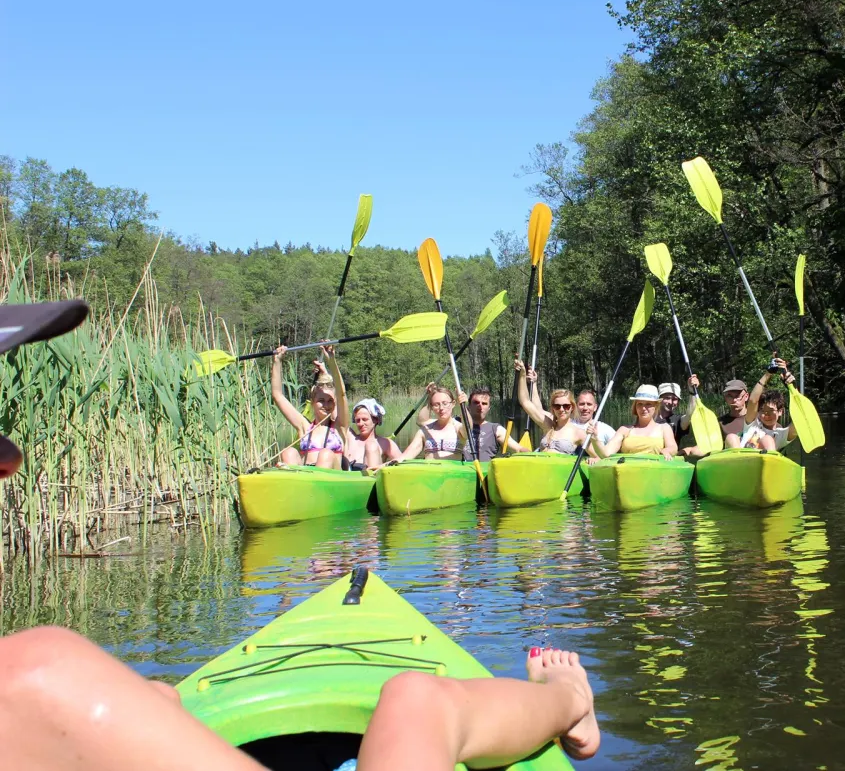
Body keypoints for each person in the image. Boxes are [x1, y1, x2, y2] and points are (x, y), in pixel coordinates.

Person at [0, 301, 601, 771]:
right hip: (319, 491)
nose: (11, 459)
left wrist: (331, 371)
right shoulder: (43, 667)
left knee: (147, 694)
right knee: (417, 700)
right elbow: (284, 398)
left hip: (349, 490)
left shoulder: (34, 672)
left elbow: (339, 400)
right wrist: (282, 365)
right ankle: (571, 700)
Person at [271, 344, 348, 468]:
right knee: (289, 452)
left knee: (325, 454)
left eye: (330, 401)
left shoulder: (340, 426)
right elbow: (277, 395)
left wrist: (331, 361)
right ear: (313, 401)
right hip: (308, 478)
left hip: (333, 478)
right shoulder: (305, 427)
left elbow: (342, 394)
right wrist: (277, 361)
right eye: (321, 400)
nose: (326, 405)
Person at [514, 359, 588, 455]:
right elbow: (525, 402)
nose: (561, 409)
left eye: (566, 406)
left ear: (572, 407)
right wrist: (522, 374)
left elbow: (597, 456)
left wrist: (594, 458)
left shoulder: (579, 433)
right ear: (553, 408)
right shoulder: (548, 425)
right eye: (557, 406)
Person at [588, 384, 678, 460]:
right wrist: (595, 439)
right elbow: (605, 454)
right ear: (635, 406)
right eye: (640, 404)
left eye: (648, 404)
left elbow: (673, 448)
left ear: (655, 406)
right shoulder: (624, 430)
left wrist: (667, 450)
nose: (643, 408)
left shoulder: (664, 428)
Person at [733, 359, 799, 451]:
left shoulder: (782, 435)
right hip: (740, 460)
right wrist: (768, 373)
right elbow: (753, 401)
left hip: (765, 463)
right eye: (763, 411)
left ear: (780, 411)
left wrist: (793, 389)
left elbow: (799, 421)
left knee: (767, 439)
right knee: (731, 437)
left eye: (771, 411)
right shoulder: (752, 426)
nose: (766, 415)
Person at [396, 383, 469, 463]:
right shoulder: (425, 430)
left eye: (445, 403)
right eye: (436, 405)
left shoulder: (459, 428)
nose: (441, 408)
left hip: (453, 473)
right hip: (430, 472)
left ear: (453, 404)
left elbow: (468, 428)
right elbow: (406, 456)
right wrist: (429, 396)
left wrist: (463, 404)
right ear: (431, 407)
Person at [460, 386, 527, 462]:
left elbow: (518, 449)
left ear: (489, 408)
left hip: (484, 473)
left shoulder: (495, 429)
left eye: (484, 403)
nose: (480, 406)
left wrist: (530, 454)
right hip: (461, 471)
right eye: (476, 402)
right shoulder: (456, 424)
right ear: (469, 406)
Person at [344, 398, 402, 472]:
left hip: (373, 480)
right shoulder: (350, 437)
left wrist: (385, 466)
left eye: (365, 419)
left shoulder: (385, 443)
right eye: (357, 420)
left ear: (376, 420)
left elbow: (404, 463)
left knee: (371, 446)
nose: (361, 424)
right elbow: (338, 416)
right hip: (349, 479)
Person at [655, 381, 694, 446]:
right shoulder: (649, 419)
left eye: (674, 399)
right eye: (667, 398)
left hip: (670, 455)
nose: (670, 402)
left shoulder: (678, 420)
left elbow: (690, 414)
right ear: (659, 399)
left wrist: (692, 392)